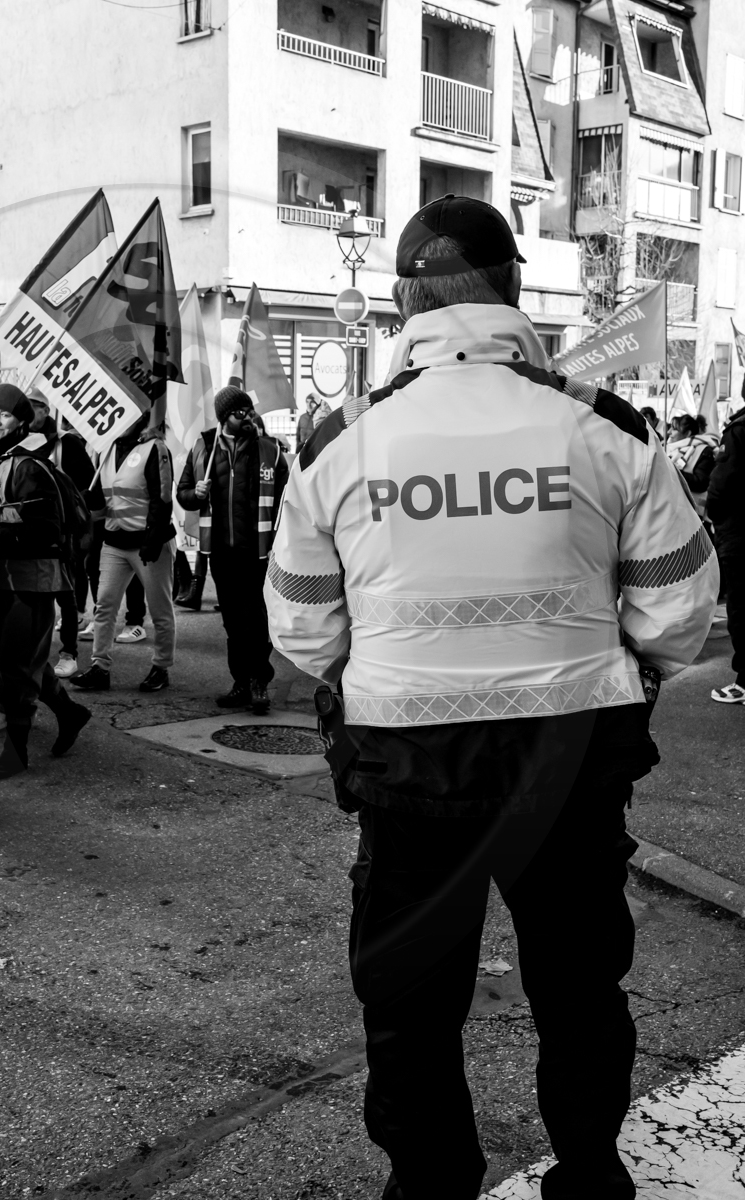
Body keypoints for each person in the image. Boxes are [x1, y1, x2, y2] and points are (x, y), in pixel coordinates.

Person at [265, 195, 718, 1200]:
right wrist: (625, 677)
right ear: (514, 290)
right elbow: (679, 607)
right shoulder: (603, 428)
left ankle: (431, 1185)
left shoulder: (341, 440)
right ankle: (592, 1176)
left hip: (408, 771)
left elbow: (299, 626)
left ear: (398, 304)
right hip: (569, 762)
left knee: (413, 1005)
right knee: (580, 990)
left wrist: (369, 674)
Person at [0, 384, 92, 778]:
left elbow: (46, 529)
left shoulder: (27, 465)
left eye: (4, 414)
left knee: (17, 669)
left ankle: (16, 751)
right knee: (19, 663)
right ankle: (70, 713)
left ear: (22, 421)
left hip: (31, 582)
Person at [178, 386, 288, 714]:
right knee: (232, 624)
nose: (248, 416)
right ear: (225, 417)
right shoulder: (203, 448)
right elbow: (182, 493)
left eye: (249, 411)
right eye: (241, 412)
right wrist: (195, 494)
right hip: (221, 555)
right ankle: (240, 681)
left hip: (257, 554)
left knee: (256, 621)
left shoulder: (271, 451)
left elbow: (288, 501)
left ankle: (259, 682)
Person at [73, 416, 176, 693]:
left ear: (139, 417)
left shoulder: (155, 448)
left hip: (149, 544)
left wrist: (153, 538)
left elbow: (162, 497)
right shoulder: (105, 450)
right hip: (115, 542)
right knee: (104, 605)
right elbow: (104, 504)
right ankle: (99, 667)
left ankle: (161, 667)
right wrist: (90, 502)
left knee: (160, 610)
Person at [27, 390, 95, 680]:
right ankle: (35, 652)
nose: (30, 413)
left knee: (67, 597)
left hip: (63, 534)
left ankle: (69, 653)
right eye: (25, 408)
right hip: (33, 533)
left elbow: (88, 488)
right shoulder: (19, 442)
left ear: (47, 410)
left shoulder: (66, 443)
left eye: (35, 407)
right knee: (35, 596)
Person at [707, 402, 745, 704]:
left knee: (742, 609)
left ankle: (744, 682)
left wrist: (715, 517)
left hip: (740, 533)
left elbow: (721, 482)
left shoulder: (739, 430)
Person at [665, 413, 717, 518]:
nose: (669, 432)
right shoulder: (667, 447)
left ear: (688, 433)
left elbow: (701, 482)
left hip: (693, 514)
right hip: (670, 510)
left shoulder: (704, 450)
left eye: (674, 429)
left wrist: (672, 471)